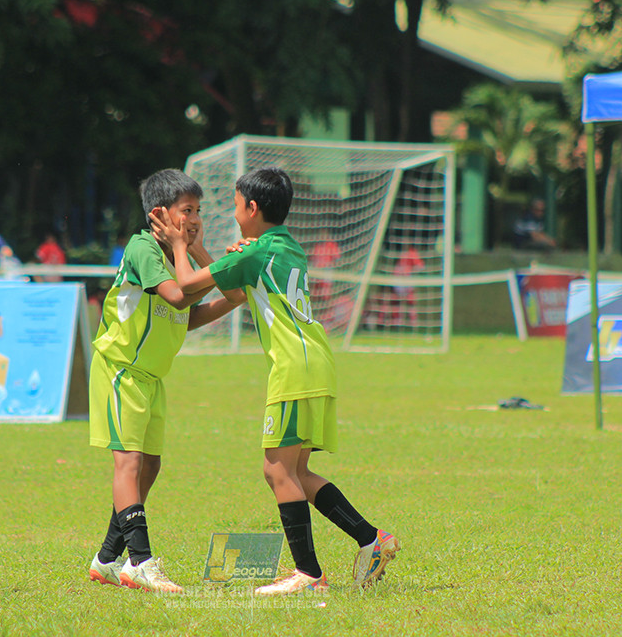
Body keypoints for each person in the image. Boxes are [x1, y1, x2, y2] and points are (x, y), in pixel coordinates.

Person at [150, 167, 399, 596]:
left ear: (251, 208)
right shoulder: (283, 247)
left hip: (294, 366)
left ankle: (309, 574)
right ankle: (372, 540)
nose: (231, 212)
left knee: (276, 468)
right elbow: (239, 293)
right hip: (316, 360)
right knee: (296, 471)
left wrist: (179, 245)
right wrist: (209, 252)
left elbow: (188, 284)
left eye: (233, 204)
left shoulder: (254, 252)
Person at [87, 169, 245, 594]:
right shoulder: (143, 248)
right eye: (186, 211)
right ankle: (140, 563)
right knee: (130, 463)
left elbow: (216, 302)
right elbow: (177, 295)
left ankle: (106, 559)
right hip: (120, 370)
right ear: (159, 214)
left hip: (151, 377)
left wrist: (206, 256)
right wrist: (184, 250)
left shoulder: (179, 257)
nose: (195, 219)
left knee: (150, 466)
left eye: (199, 211)